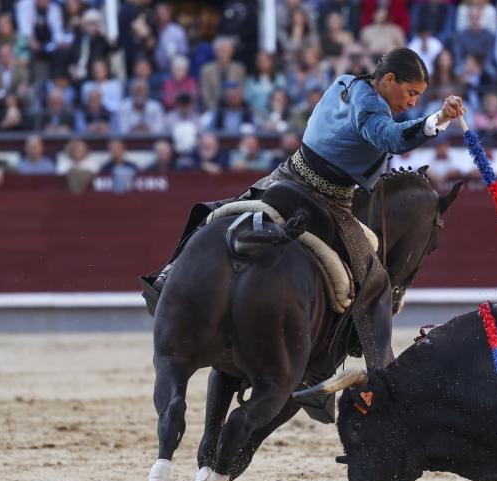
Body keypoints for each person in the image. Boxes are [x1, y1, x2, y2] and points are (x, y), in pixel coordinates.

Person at [151, 47, 465, 370]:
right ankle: (374, 373)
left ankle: (169, 272)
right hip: (329, 200)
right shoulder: (372, 109)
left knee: (219, 213)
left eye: (418, 96)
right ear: (388, 80)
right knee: (377, 283)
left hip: (287, 175)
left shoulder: (347, 82)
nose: (412, 102)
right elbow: (392, 140)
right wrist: (437, 120)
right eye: (411, 93)